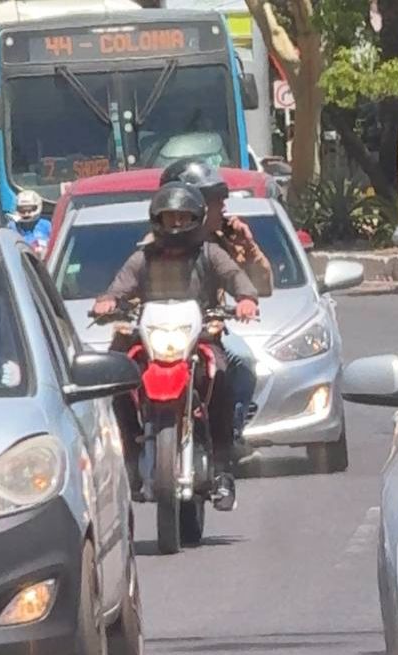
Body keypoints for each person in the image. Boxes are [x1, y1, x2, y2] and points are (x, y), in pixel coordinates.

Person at [93, 182, 258, 503]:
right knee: (120, 380)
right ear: (158, 220)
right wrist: (109, 301)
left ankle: (223, 470)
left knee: (221, 375)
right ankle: (130, 458)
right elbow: (120, 286)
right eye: (171, 219)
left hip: (201, 340)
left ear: (196, 218)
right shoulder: (144, 256)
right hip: (153, 339)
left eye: (184, 218)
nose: (177, 225)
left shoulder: (210, 253)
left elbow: (236, 276)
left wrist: (246, 299)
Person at [159, 158, 273, 452]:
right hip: (163, 332)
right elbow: (133, 282)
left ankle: (229, 434)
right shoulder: (155, 244)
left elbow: (260, 286)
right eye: (214, 201)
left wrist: (247, 245)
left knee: (243, 362)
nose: (222, 207)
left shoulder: (221, 244)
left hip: (208, 330)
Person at [7, 190, 51, 258]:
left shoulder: (46, 225)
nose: (26, 214)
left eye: (30, 210)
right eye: (22, 210)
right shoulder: (12, 226)